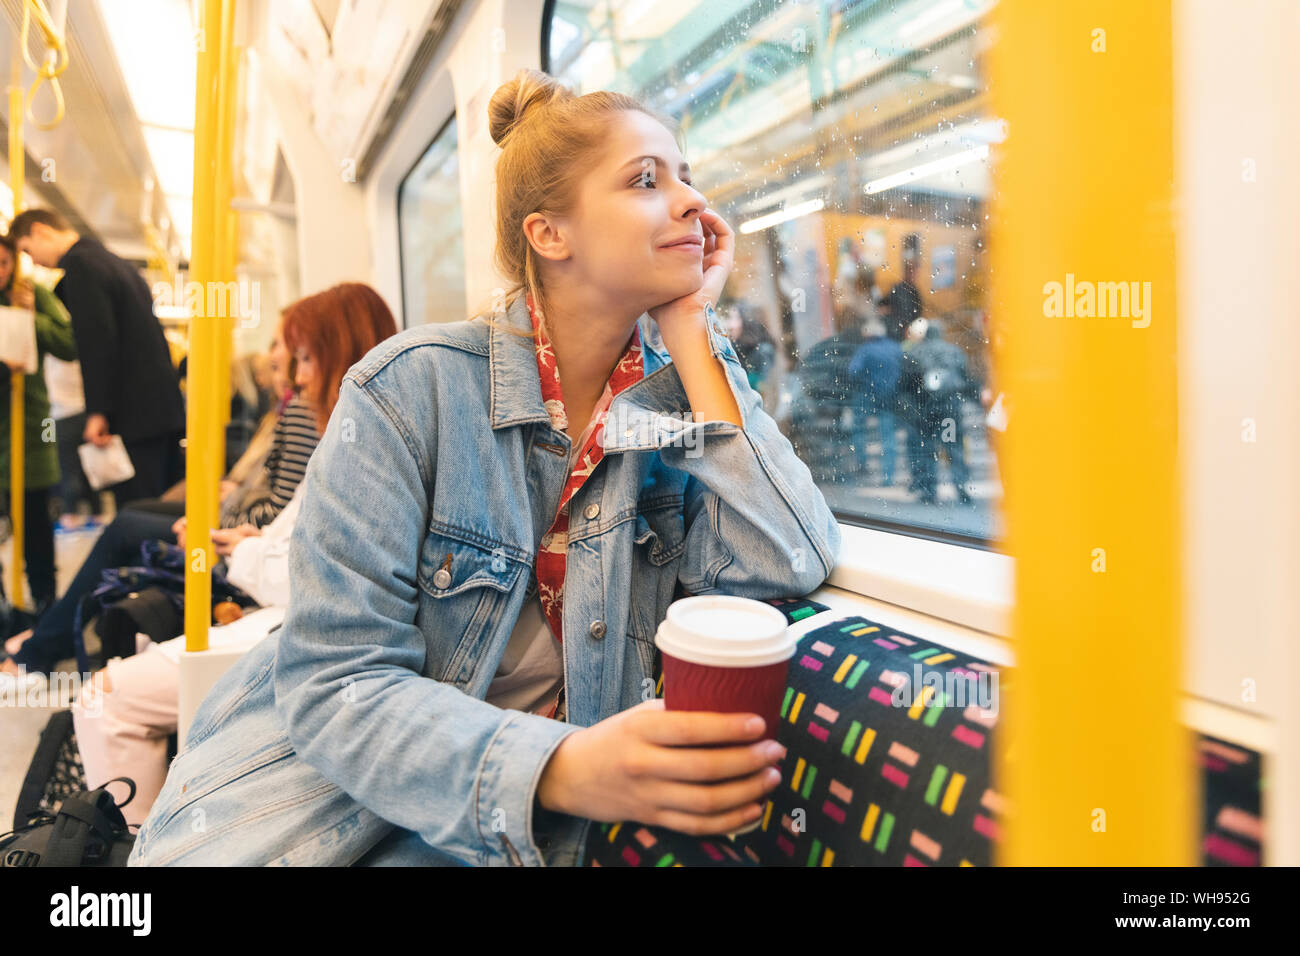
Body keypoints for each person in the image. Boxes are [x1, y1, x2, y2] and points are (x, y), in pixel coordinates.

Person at [128, 68, 840, 868]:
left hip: (515, 837)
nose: (690, 203)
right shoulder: (408, 390)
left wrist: (691, 327)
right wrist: (561, 767)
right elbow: (335, 684)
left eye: (687, 175)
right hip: (318, 815)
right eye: (646, 179)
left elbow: (790, 554)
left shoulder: (668, 413)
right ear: (550, 235)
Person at [0, 284, 395, 682]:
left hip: (269, 587)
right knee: (137, 519)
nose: (292, 368)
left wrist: (229, 529)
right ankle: (50, 637)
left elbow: (298, 553)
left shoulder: (316, 426)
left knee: (126, 533)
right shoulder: (335, 434)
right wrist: (242, 534)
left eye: (301, 355)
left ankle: (43, 647)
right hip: (256, 552)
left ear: (336, 356)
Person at [72, 482, 302, 827]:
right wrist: (250, 540)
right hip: (268, 600)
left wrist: (244, 546)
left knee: (104, 698)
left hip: (288, 627)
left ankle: (134, 848)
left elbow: (306, 574)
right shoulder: (336, 444)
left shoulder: (346, 448)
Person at [8, 208, 185, 505]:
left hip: (134, 416)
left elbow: (97, 341)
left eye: (28, 250)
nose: (33, 260)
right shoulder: (114, 262)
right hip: (158, 411)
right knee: (160, 506)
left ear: (41, 231)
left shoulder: (80, 265)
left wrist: (98, 412)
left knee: (138, 513)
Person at [0, 233, 79, 615]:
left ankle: (44, 602)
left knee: (35, 525)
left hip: (29, 427)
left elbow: (69, 344)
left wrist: (34, 317)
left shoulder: (32, 294)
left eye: (4, 263)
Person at [898, 318, 975, 505]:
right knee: (953, 446)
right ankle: (960, 485)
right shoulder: (954, 351)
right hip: (949, 409)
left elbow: (905, 384)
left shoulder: (914, 352)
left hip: (923, 409)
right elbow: (965, 379)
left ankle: (927, 490)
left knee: (925, 448)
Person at [847, 315, 903, 484]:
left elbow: (853, 371)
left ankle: (862, 465)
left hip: (867, 394)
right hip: (889, 396)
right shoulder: (896, 348)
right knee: (888, 436)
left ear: (868, 334)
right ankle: (888, 476)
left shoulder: (865, 349)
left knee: (858, 429)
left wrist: (866, 381)